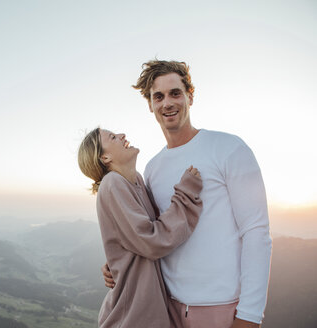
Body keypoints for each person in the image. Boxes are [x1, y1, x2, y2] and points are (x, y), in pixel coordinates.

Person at [101, 60, 272, 328]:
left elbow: (256, 231)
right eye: (158, 96)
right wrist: (118, 264)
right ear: (151, 105)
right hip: (166, 310)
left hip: (221, 309)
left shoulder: (229, 148)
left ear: (190, 96)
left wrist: (249, 315)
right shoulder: (152, 168)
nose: (167, 103)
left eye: (175, 93)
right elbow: (153, 234)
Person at [78, 127, 203, 327]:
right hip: (132, 318)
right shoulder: (112, 183)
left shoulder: (135, 180)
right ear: (105, 158)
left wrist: (116, 262)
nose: (122, 136)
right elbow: (150, 241)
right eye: (112, 137)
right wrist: (186, 194)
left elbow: (133, 238)